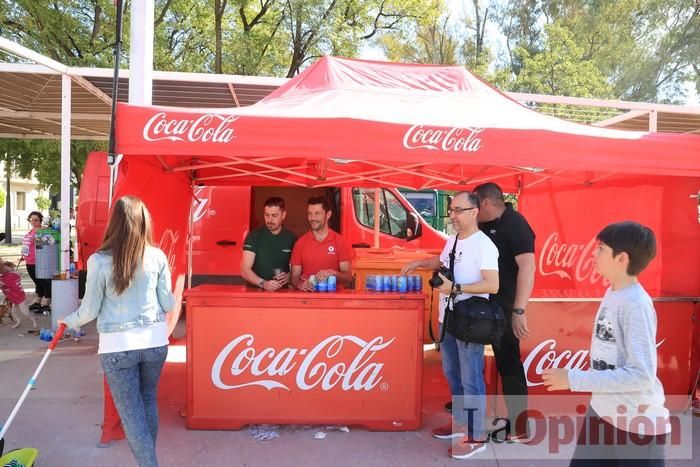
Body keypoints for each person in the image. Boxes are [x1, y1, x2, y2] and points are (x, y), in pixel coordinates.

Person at [59, 196, 174, 467]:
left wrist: (67, 320)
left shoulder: (99, 261)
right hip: (154, 341)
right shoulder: (157, 256)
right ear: (144, 222)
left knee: (132, 413)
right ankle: (149, 461)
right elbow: (168, 303)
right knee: (147, 402)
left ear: (114, 223)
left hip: (117, 347)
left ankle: (149, 464)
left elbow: (88, 311)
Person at [542, 222, 669, 466]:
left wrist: (572, 379)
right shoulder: (614, 293)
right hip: (602, 412)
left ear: (621, 258)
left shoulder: (636, 304)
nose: (593, 253)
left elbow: (641, 376)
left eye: (601, 248)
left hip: (637, 426)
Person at [402, 192, 499, 460]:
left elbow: (492, 284)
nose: (452, 215)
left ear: (474, 212)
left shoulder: (485, 245)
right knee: (452, 372)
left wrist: (455, 288)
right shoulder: (454, 240)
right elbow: (442, 262)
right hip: (449, 319)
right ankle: (460, 423)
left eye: (458, 210)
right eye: (451, 210)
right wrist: (420, 263)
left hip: (471, 322)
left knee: (471, 378)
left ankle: (476, 433)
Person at [473, 182, 535, 441]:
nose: (474, 210)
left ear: (486, 203)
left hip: (506, 307)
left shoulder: (515, 223)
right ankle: (472, 416)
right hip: (479, 305)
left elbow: (528, 268)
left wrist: (519, 309)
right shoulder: (482, 225)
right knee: (470, 360)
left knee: (509, 363)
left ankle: (520, 425)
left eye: (476, 205)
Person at [290, 196, 353, 291]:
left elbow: (348, 278)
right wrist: (300, 284)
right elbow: (294, 277)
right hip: (308, 300)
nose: (312, 218)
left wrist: (332, 273)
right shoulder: (300, 243)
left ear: (328, 214)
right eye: (310, 214)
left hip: (335, 300)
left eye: (317, 213)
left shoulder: (340, 241)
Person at [240, 197, 297, 291]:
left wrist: (289, 276)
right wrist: (263, 283)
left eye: (274, 215)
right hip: (256, 293)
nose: (269, 220)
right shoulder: (254, 236)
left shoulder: (292, 238)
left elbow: (298, 268)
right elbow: (244, 270)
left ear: (283, 215)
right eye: (266, 215)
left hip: (283, 293)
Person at [22, 211, 52, 314]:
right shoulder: (31, 231)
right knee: (37, 283)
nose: (33, 221)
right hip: (29, 261)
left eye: (36, 220)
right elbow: (27, 245)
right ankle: (38, 303)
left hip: (38, 261)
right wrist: (23, 255)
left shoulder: (41, 231)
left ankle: (46, 304)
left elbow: (49, 243)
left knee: (44, 283)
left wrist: (44, 234)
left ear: (40, 220)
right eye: (31, 219)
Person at [0, 259, 37, 330]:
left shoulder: (9, 276)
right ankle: (18, 321)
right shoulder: (4, 276)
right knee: (14, 311)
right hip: (13, 296)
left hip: (18, 296)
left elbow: (6, 283)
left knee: (25, 312)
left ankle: (33, 320)